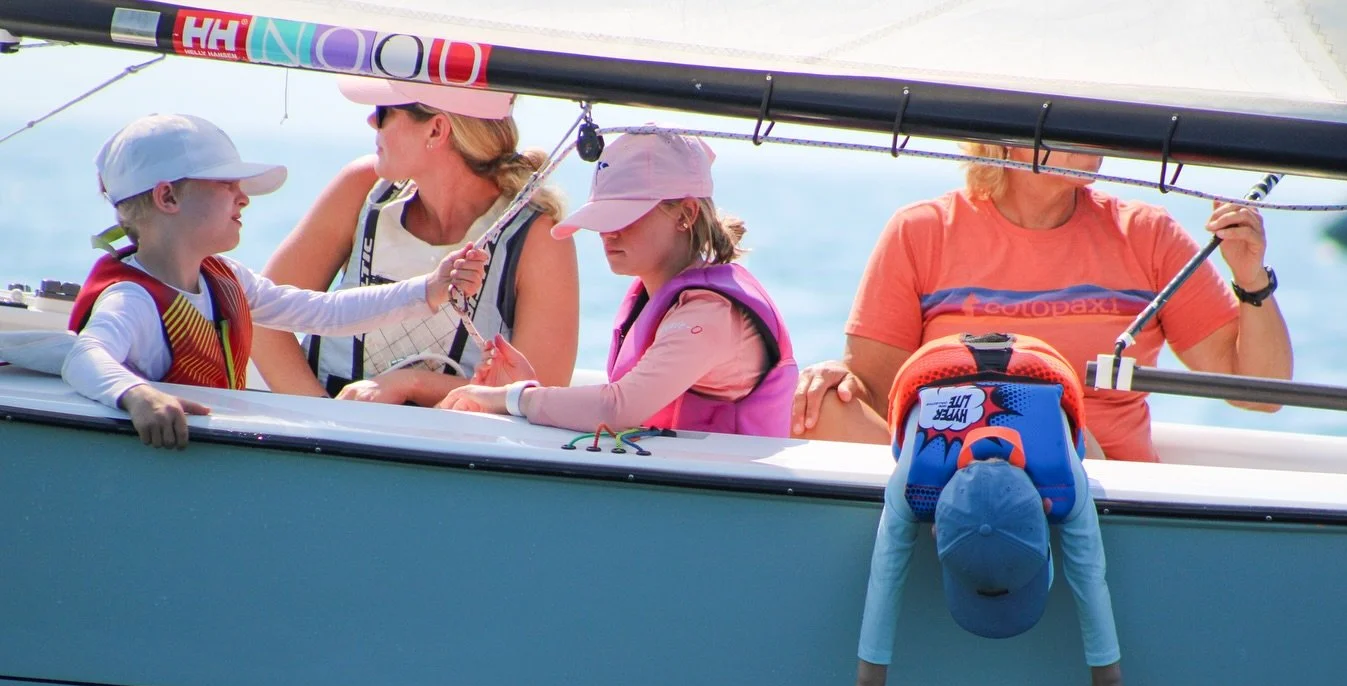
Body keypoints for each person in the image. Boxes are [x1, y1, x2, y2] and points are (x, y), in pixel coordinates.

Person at [793, 144, 1294, 461]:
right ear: (1005, 134)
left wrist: (1250, 279)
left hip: (1102, 500)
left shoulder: (1147, 234)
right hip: (954, 482)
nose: (1097, 130)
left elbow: (1261, 392)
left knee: (1052, 426)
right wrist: (833, 379)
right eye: (1075, 113)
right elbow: (880, 397)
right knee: (819, 412)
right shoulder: (920, 231)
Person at [64, 114, 487, 449]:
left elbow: (324, 312)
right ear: (168, 198)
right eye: (226, 185)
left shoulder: (226, 280)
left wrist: (429, 289)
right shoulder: (131, 298)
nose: (243, 197)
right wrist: (138, 396)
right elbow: (85, 357)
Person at [842, 332, 1125, 686]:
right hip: (940, 366)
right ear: (935, 526)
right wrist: (1107, 684)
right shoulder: (911, 484)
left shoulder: (1066, 477)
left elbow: (886, 573)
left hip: (1037, 360)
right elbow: (1089, 575)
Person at [435, 128, 798, 438]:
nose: (607, 233)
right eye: (603, 217)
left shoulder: (711, 313)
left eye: (626, 217)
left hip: (731, 508)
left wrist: (514, 398)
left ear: (685, 214)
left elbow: (617, 408)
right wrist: (531, 392)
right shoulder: (656, 297)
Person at [249, 77, 579, 404]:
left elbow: (540, 391)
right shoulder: (362, 187)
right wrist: (326, 418)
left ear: (436, 130)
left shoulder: (538, 233)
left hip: (457, 452)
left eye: (384, 112)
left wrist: (411, 384)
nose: (370, 121)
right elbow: (260, 316)